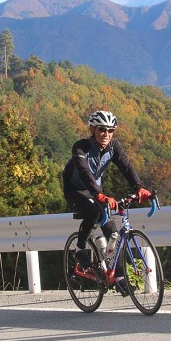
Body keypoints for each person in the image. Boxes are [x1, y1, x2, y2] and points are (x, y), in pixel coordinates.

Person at [62, 110, 152, 294]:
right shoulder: (80, 147)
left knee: (112, 230)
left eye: (111, 130)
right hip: (76, 189)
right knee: (94, 212)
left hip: (96, 189)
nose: (107, 134)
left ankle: (118, 276)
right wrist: (99, 195)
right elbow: (85, 173)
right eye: (102, 130)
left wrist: (139, 187)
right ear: (92, 129)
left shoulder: (113, 146)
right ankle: (80, 248)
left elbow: (126, 166)